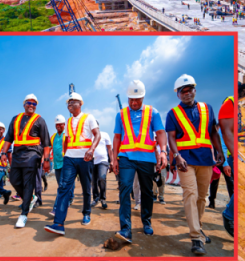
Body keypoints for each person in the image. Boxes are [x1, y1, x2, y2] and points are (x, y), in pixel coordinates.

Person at [166, 75, 225, 255]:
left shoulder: (207, 109)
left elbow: (213, 132)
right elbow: (171, 137)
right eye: (182, 91)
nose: (186, 93)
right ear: (177, 94)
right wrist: (176, 156)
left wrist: (220, 151)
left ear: (195, 90)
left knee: (202, 197)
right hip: (186, 161)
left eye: (189, 90)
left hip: (206, 160)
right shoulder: (172, 114)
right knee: (190, 195)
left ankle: (197, 228)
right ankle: (195, 238)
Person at [111, 80, 168, 244]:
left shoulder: (153, 113)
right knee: (124, 189)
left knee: (147, 191)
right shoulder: (120, 114)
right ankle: (125, 228)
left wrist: (163, 152)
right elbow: (116, 137)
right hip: (126, 157)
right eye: (131, 99)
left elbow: (161, 133)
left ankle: (147, 221)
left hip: (147, 158)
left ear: (143, 97)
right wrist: (114, 159)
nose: (134, 103)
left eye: (137, 99)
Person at [44, 92, 101, 236]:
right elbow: (67, 140)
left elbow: (97, 135)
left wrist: (91, 150)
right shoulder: (68, 122)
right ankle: (58, 223)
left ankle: (86, 213)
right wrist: (65, 154)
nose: (69, 105)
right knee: (63, 188)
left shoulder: (89, 117)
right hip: (69, 158)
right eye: (68, 103)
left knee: (86, 187)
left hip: (85, 158)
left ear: (80, 103)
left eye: (72, 102)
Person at [0, 94, 51, 228]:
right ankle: (31, 198)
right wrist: (4, 152)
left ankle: (23, 214)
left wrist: (46, 160)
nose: (31, 105)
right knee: (14, 180)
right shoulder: (15, 119)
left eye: (34, 104)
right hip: (17, 154)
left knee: (28, 183)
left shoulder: (40, 120)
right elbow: (8, 139)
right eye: (29, 102)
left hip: (33, 154)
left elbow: (46, 143)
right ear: (24, 104)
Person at [217, 96, 236, 237]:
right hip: (230, 159)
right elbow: (222, 146)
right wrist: (224, 164)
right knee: (232, 187)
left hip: (232, 158)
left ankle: (232, 212)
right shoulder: (224, 126)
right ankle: (230, 213)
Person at [50, 115, 73, 217]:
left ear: (64, 125)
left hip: (66, 164)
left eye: (61, 124)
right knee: (63, 185)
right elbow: (50, 149)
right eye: (57, 124)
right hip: (57, 164)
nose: (58, 126)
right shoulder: (53, 137)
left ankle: (56, 208)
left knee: (61, 187)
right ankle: (70, 198)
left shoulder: (67, 135)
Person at [208, 129, 233, 210]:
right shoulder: (221, 131)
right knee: (216, 180)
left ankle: (232, 203)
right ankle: (212, 201)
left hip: (225, 159)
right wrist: (225, 163)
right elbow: (222, 147)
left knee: (230, 181)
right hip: (219, 160)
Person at [91, 129, 112, 209]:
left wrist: (112, 161)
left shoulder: (104, 134)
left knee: (102, 178)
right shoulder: (88, 136)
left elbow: (110, 149)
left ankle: (103, 198)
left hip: (103, 160)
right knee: (93, 181)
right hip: (92, 161)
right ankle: (95, 198)